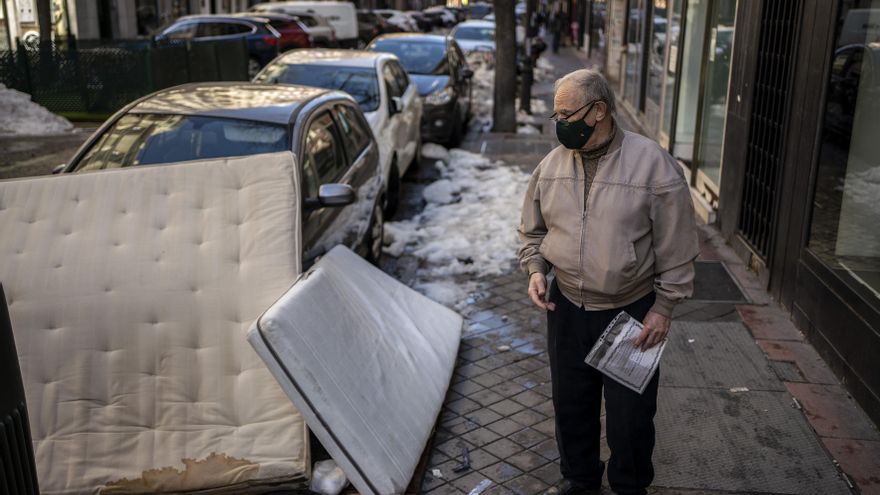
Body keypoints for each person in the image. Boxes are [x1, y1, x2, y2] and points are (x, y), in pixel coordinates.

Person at [517, 69, 698, 495]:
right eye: (555, 115)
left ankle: (630, 486)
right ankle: (579, 480)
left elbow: (678, 245)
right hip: (566, 308)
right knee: (571, 405)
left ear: (599, 111)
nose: (560, 123)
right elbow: (532, 230)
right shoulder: (552, 164)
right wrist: (536, 270)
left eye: (567, 113)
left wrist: (664, 308)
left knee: (630, 416)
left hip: (630, 311)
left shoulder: (652, 163)